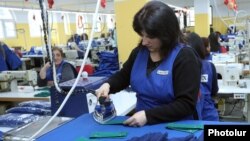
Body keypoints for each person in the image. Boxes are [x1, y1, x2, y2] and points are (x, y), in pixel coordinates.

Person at [96, 1, 201, 127]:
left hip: (177, 127)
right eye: (142, 35)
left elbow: (186, 104)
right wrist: (108, 85)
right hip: (142, 124)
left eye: (150, 36)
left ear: (166, 33)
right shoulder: (139, 53)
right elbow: (124, 75)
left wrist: (148, 116)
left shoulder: (185, 57)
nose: (144, 42)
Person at [186, 32, 219, 121]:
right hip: (209, 115)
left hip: (190, 120)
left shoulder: (180, 68)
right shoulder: (210, 67)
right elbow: (214, 91)